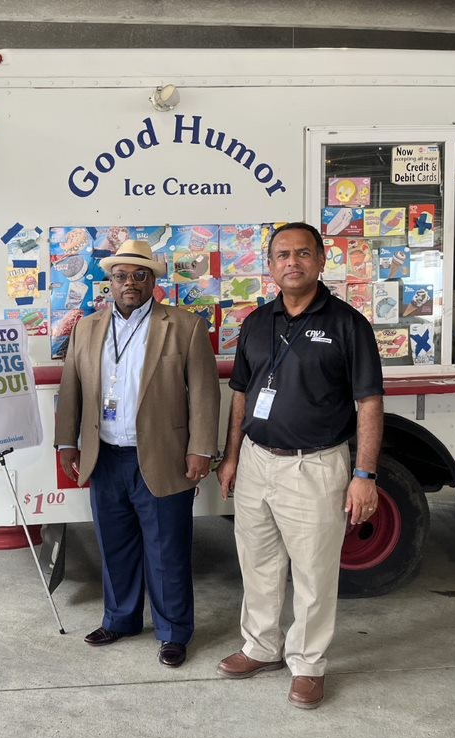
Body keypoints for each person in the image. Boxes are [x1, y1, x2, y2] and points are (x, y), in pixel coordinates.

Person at [215, 222, 384, 710]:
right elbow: (242, 396)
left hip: (316, 466)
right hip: (255, 461)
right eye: (282, 255)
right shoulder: (255, 322)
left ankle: (308, 665)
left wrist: (364, 476)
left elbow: (369, 404)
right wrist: (231, 458)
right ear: (270, 266)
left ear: (320, 261)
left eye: (303, 253)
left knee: (313, 572)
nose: (293, 262)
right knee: (259, 562)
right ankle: (262, 647)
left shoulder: (348, 325)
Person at [54, 240, 220, 668]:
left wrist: (201, 449)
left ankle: (172, 632)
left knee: (168, 550)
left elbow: (204, 393)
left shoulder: (184, 326)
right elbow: (70, 391)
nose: (130, 283)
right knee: (115, 546)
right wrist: (67, 442)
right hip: (105, 456)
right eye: (122, 275)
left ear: (154, 280)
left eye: (140, 275)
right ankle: (121, 619)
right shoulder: (86, 328)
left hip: (163, 455)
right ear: (109, 282)